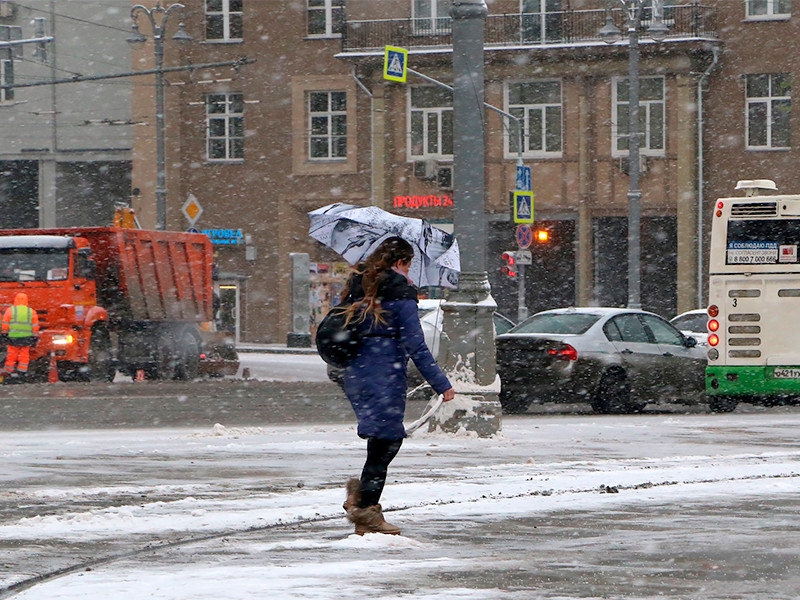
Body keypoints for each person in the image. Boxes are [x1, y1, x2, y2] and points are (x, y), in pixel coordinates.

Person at [339, 236, 455, 536]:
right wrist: (441, 384)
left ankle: (361, 498)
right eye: (410, 265)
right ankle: (366, 514)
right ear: (401, 262)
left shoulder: (361, 286)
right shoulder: (400, 293)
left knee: (380, 440)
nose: (410, 272)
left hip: (356, 372)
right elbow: (416, 345)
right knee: (387, 441)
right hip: (384, 374)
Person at [2, 292, 40, 381]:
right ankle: (22, 371)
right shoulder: (31, 311)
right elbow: (35, 325)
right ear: (26, 300)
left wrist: (4, 334)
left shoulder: (10, 310)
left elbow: (5, 323)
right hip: (26, 337)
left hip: (13, 337)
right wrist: (35, 336)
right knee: (24, 355)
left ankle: (8, 371)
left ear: (15, 300)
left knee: (11, 354)